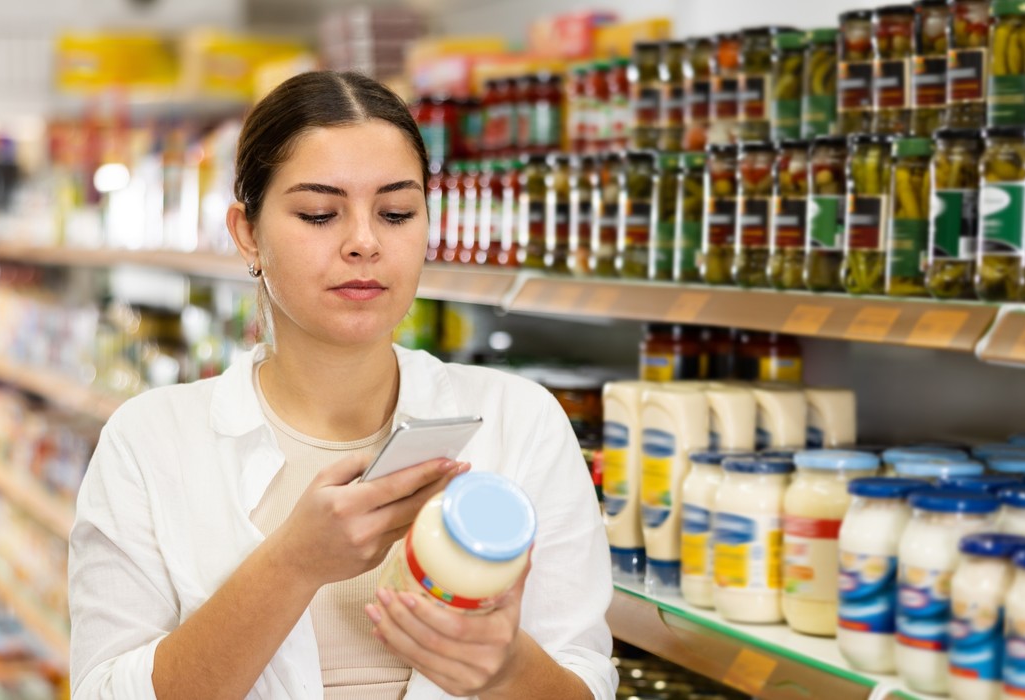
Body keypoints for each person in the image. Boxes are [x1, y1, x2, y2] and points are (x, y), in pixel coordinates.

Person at [68, 70, 616, 700]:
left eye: (396, 213)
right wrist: (293, 564)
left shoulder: (520, 420)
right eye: (320, 213)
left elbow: (586, 679)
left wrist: (508, 671)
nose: (365, 242)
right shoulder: (149, 442)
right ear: (247, 232)